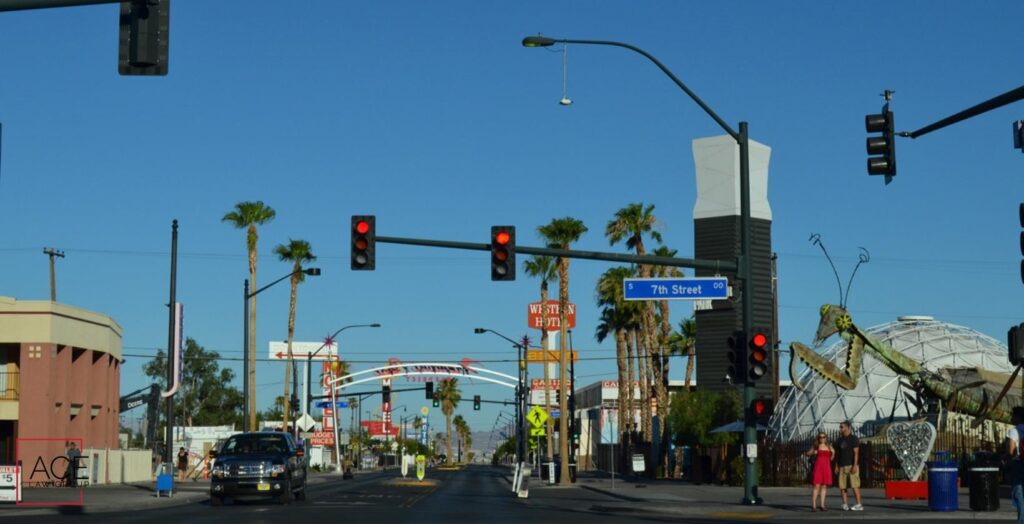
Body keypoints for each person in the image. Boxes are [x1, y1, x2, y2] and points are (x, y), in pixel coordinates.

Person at [835, 420, 863, 511]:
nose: (840, 428)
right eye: (840, 427)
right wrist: (836, 465)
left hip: (851, 465)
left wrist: (855, 465)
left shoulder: (853, 438)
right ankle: (845, 504)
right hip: (842, 466)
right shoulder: (839, 440)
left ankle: (859, 504)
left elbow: (856, 453)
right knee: (842, 486)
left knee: (855, 485)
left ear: (847, 427)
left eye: (842, 427)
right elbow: (837, 454)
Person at [1004, 406, 1024, 524]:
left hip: (1018, 465)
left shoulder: (1014, 431)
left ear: (1017, 417)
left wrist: (1005, 458)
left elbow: (1011, 451)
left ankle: (1021, 520)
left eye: (1013, 415)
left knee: (1019, 493)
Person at [805, 432, 834, 511]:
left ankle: (822, 505)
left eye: (824, 437)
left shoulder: (829, 446)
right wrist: (813, 452)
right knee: (816, 486)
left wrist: (833, 453)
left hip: (826, 467)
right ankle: (814, 505)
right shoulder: (816, 446)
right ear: (818, 438)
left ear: (826, 438)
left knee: (824, 486)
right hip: (818, 467)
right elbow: (807, 453)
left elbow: (831, 458)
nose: (822, 438)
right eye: (820, 437)